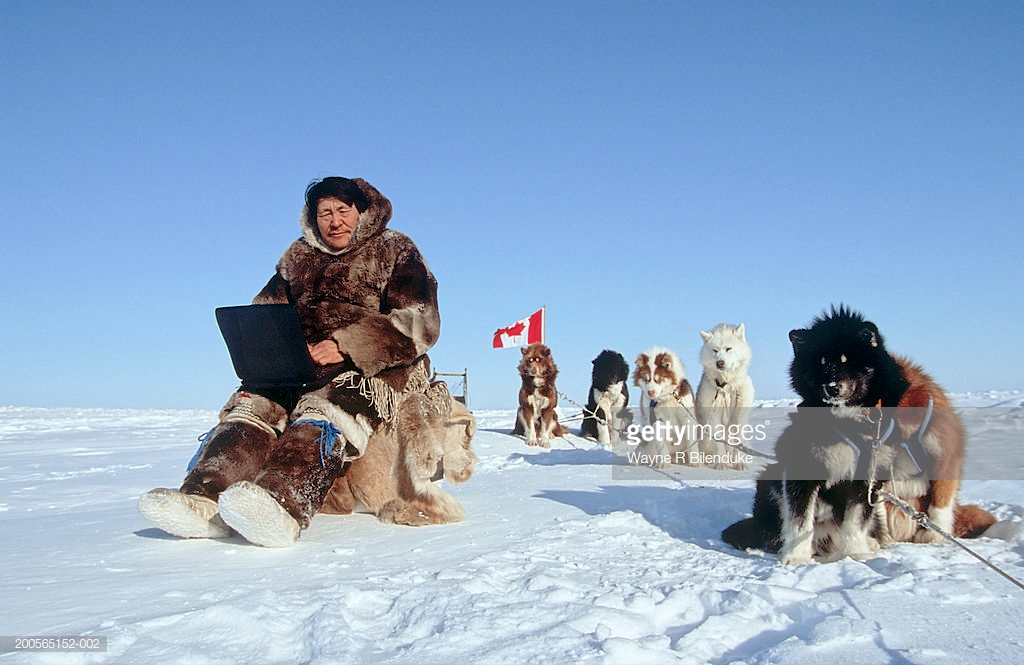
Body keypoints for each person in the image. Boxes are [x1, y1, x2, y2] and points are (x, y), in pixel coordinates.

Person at [138, 176, 446, 547]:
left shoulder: (394, 248)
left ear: (362, 212)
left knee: (325, 407)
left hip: (372, 366)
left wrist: (347, 345)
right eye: (324, 213)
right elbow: (266, 309)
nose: (334, 221)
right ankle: (205, 498)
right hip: (299, 362)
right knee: (252, 407)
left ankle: (282, 506)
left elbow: (419, 321)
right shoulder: (297, 257)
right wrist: (262, 345)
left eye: (342, 211)